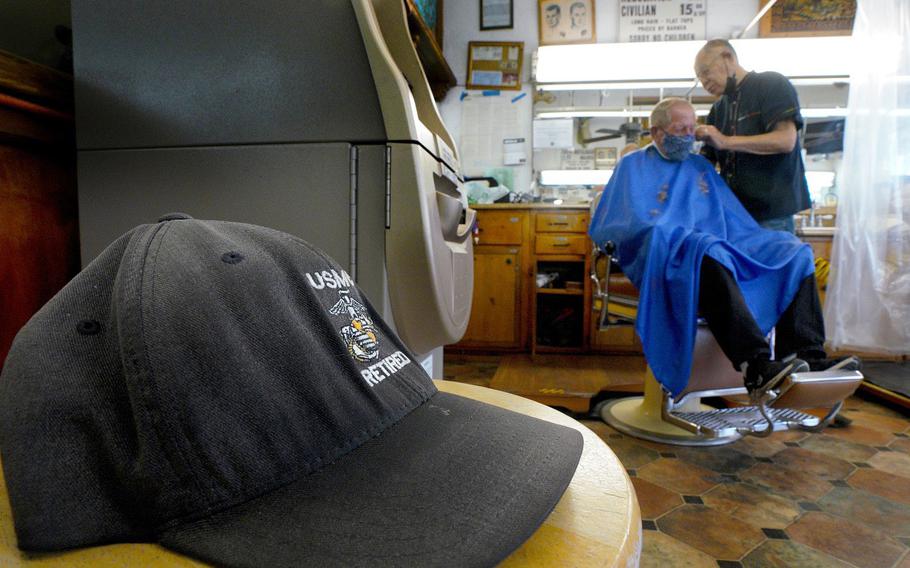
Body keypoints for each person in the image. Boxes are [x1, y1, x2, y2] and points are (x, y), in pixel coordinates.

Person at [588, 98, 858, 401]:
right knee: (703, 248)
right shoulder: (633, 164)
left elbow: (731, 220)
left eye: (692, 128)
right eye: (680, 129)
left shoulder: (700, 166)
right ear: (656, 132)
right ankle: (755, 364)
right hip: (664, 253)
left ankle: (805, 354)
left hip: (713, 244)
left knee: (793, 251)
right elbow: (622, 221)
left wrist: (708, 239)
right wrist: (678, 237)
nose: (688, 135)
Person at [694, 39, 811, 233]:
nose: (704, 83)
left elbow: (786, 140)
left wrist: (726, 141)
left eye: (706, 72)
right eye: (699, 78)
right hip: (734, 216)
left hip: (771, 217)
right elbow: (705, 162)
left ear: (727, 58)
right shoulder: (718, 109)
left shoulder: (771, 85)